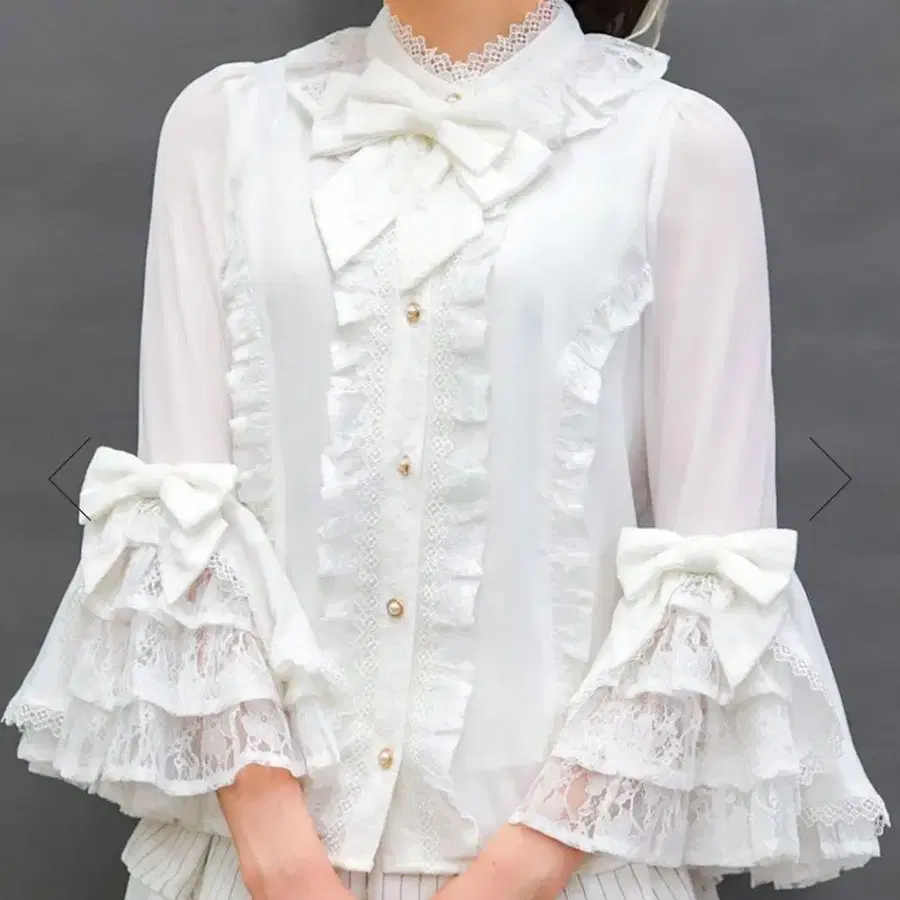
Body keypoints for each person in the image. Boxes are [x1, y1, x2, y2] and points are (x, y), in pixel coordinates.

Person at [3, 2, 888, 899]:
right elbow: (180, 522)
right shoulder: (227, 126)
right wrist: (281, 856)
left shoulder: (676, 147)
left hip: (570, 871)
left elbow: (714, 573)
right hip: (256, 870)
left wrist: (519, 872)